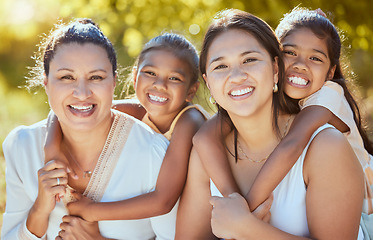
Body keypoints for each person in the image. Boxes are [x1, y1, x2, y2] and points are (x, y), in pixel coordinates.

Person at [175, 9, 364, 239]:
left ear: (276, 70)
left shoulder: (325, 146)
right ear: (208, 83)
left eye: (250, 60)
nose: (236, 75)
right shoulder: (207, 152)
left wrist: (247, 227)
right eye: (220, 66)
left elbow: (292, 144)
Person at [2, 19, 177, 240]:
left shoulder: (154, 154)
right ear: (46, 82)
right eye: (67, 77)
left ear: (114, 82)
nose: (82, 93)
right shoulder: (22, 146)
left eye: (96, 77)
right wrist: (39, 210)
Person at [44, 32, 208, 222]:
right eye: (151, 73)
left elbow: (164, 200)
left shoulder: (190, 120)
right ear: (135, 77)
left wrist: (93, 211)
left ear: (191, 90)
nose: (160, 85)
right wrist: (52, 149)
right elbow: (73, 108)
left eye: (174, 78)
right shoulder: (137, 110)